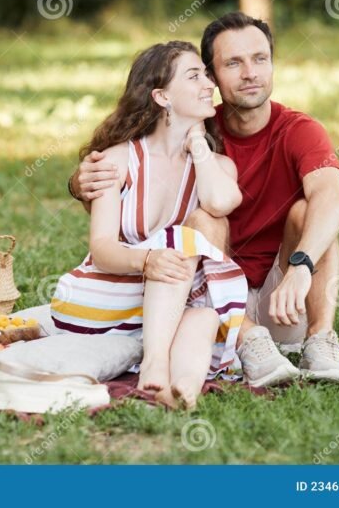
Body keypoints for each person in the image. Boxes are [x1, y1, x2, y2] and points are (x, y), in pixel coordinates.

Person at [70, 13, 339, 387]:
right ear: (212, 77)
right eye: (233, 63)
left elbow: (333, 199)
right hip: (214, 301)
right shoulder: (196, 126)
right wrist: (81, 180)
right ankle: (248, 340)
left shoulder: (300, 131)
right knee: (206, 219)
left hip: (284, 298)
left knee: (312, 213)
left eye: (260, 59)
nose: (250, 72)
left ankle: (319, 343)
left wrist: (300, 268)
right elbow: (142, 163)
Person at [50, 40, 248, 409]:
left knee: (205, 315)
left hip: (156, 309)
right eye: (195, 76)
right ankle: (155, 365)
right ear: (162, 97)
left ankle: (182, 389)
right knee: (179, 239)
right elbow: (103, 249)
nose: (210, 84)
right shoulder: (118, 160)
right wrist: (146, 260)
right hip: (99, 296)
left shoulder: (216, 167)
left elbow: (221, 203)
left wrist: (198, 145)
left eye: (207, 75)